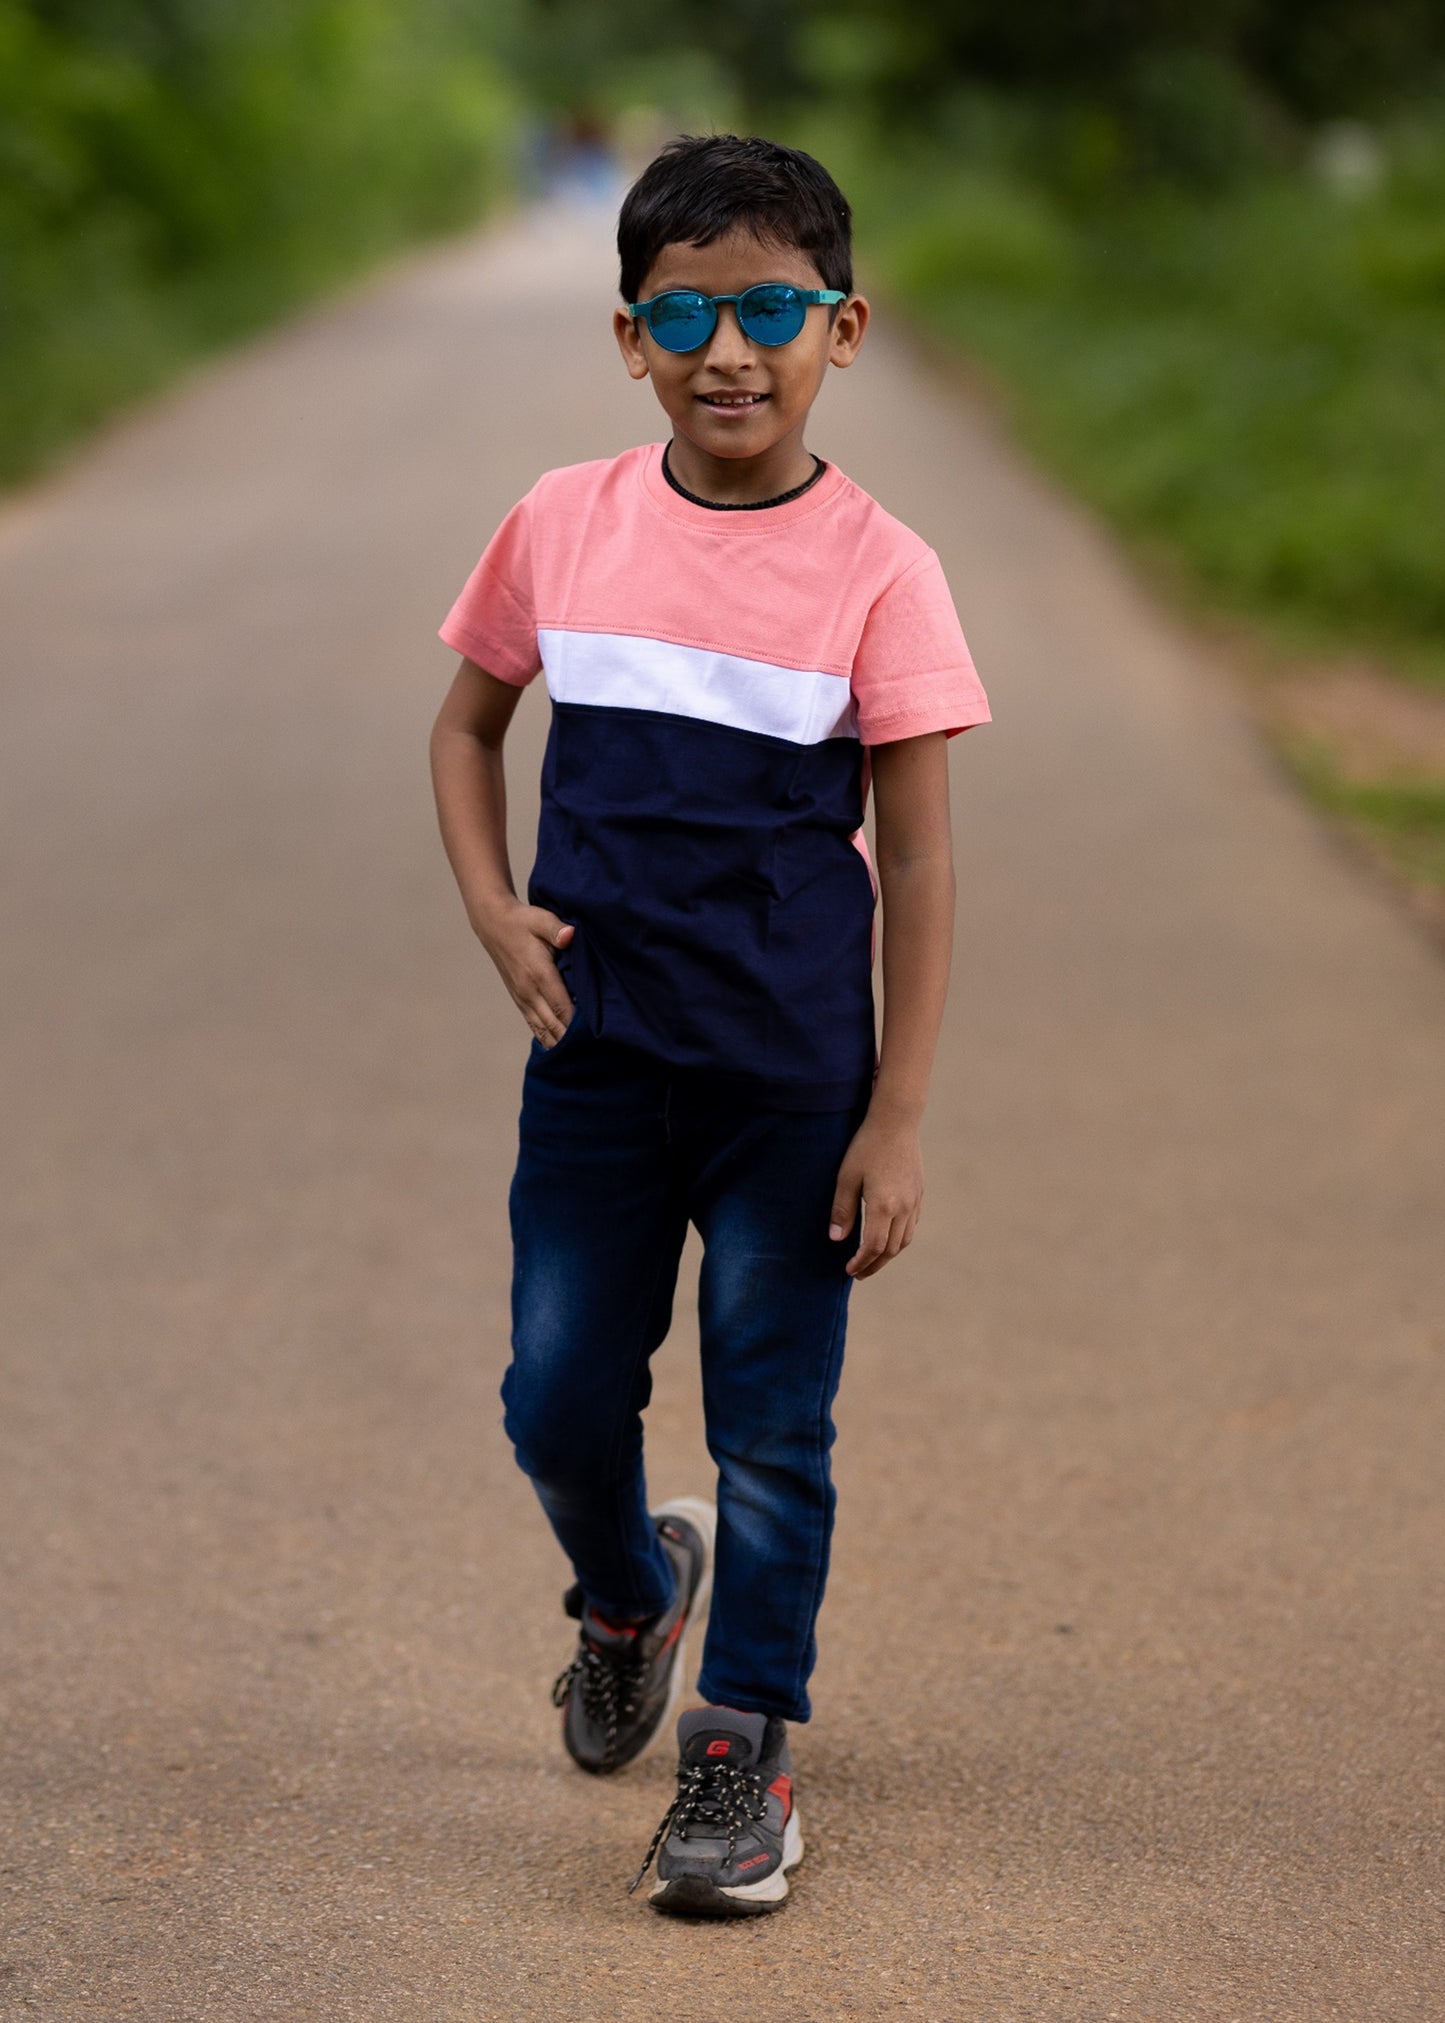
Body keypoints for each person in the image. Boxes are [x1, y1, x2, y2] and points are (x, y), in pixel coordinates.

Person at [428, 132, 991, 1917]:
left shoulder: (880, 571)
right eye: (687, 314)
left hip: (788, 1089)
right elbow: (464, 729)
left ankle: (740, 1756)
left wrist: (894, 1114)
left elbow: (914, 848)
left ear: (844, 326)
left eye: (770, 309)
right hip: (596, 1064)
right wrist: (490, 901)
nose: (728, 349)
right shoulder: (561, 521)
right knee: (554, 1399)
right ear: (628, 337)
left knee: (771, 1428)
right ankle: (623, 1596)